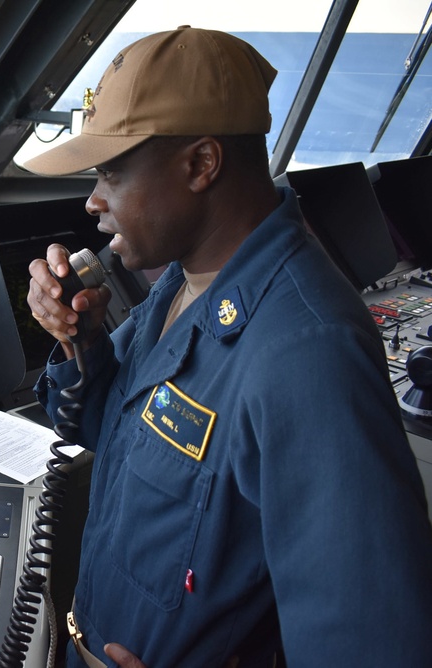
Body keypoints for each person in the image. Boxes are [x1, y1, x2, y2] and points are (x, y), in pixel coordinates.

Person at [23, 26, 432, 667]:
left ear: (200, 165)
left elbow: (374, 644)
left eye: (110, 173)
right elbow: (111, 431)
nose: (93, 200)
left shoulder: (307, 353)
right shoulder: (182, 286)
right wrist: (81, 338)